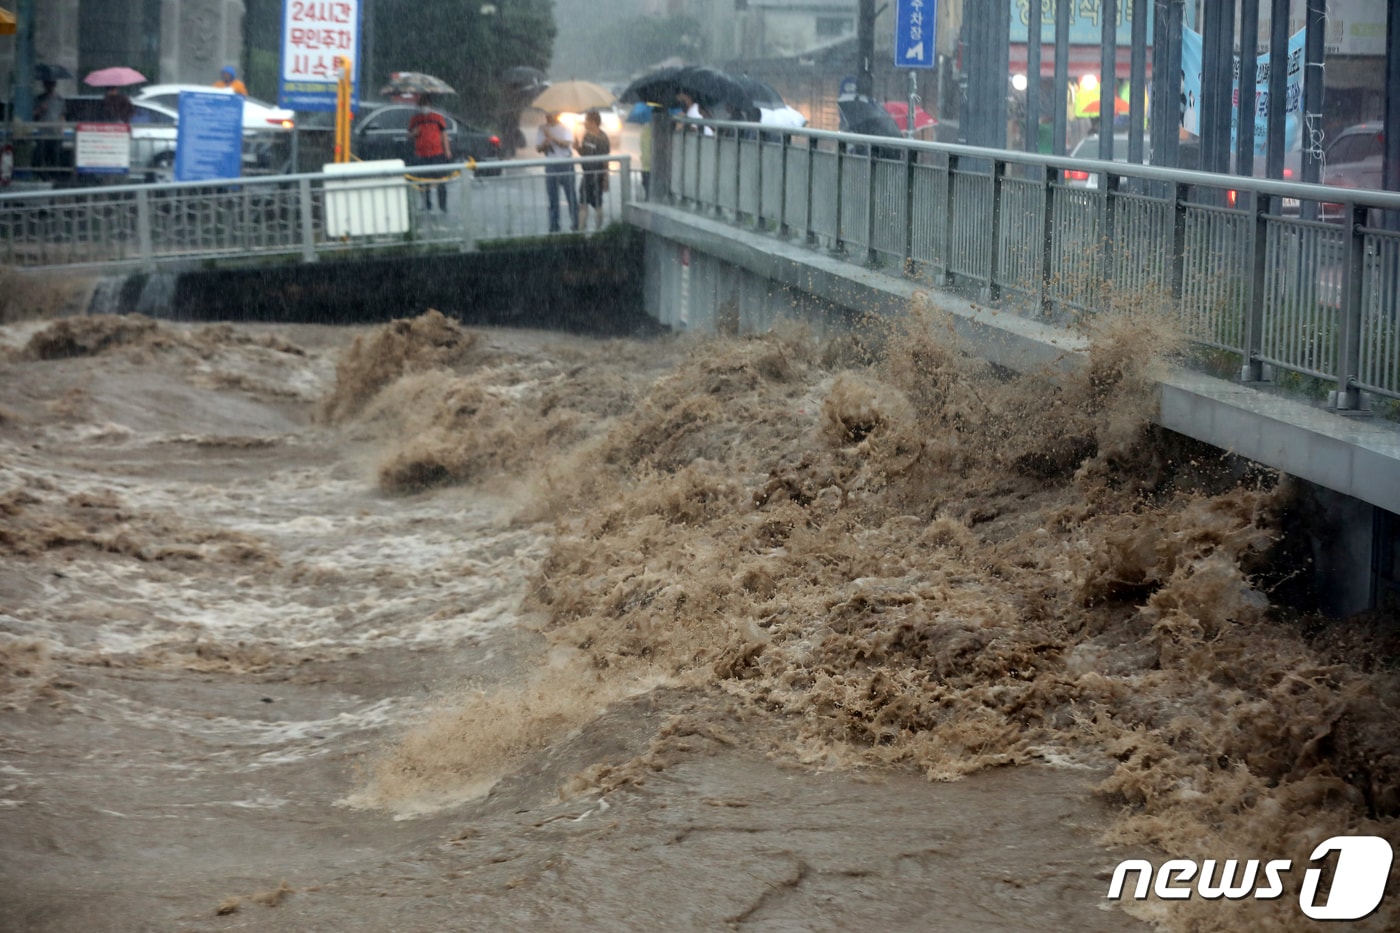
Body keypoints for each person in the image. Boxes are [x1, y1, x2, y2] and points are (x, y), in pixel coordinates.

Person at [408, 94, 452, 212]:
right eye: (422, 104)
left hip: (437, 153)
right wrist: (414, 133)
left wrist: (447, 150)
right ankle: (427, 204)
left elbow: (444, 134)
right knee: (423, 181)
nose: (424, 107)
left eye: (426, 104)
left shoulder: (437, 118)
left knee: (441, 180)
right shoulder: (415, 119)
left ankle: (443, 205)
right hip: (421, 154)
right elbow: (409, 135)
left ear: (430, 104)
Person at [535, 111, 577, 233]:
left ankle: (575, 224)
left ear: (557, 115)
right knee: (553, 197)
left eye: (550, 114)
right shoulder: (542, 128)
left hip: (565, 163)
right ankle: (554, 226)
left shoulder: (565, 128)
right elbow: (538, 148)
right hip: (551, 164)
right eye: (547, 114)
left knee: (571, 196)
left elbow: (566, 144)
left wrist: (552, 137)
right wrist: (545, 143)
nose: (548, 117)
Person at [574, 110, 610, 231]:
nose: (585, 123)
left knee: (598, 205)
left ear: (593, 122)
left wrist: (605, 179)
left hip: (597, 176)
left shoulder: (602, 138)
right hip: (586, 175)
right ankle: (581, 231)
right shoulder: (587, 135)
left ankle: (598, 230)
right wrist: (577, 148)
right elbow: (584, 154)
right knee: (583, 204)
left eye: (587, 121)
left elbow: (605, 160)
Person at [32, 79, 65, 170]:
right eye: (47, 84)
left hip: (56, 134)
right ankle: (42, 173)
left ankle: (54, 173)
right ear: (44, 85)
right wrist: (40, 109)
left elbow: (62, 115)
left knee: (55, 156)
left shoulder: (60, 99)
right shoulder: (39, 99)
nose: (49, 86)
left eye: (51, 84)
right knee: (42, 156)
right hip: (43, 133)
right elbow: (32, 115)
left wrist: (62, 128)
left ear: (54, 85)